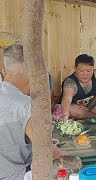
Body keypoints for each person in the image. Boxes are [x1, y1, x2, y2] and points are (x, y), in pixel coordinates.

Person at [0, 45, 62, 180]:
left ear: (5, 70)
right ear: (33, 71)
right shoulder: (26, 104)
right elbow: (47, 151)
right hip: (15, 175)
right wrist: (59, 152)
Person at [57, 54, 96, 121]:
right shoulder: (70, 82)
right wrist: (65, 115)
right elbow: (66, 99)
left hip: (90, 105)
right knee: (72, 110)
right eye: (81, 71)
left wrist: (89, 107)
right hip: (76, 107)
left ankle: (86, 116)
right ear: (75, 68)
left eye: (88, 71)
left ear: (93, 69)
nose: (85, 74)